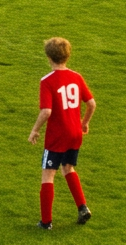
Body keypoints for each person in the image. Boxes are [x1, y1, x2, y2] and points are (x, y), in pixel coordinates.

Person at [29, 36, 95, 229]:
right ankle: (82, 207)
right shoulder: (76, 77)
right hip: (75, 133)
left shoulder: (47, 81)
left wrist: (35, 130)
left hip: (57, 136)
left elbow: (47, 111)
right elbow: (91, 104)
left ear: (49, 57)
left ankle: (46, 222)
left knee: (48, 174)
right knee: (68, 168)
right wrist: (84, 123)